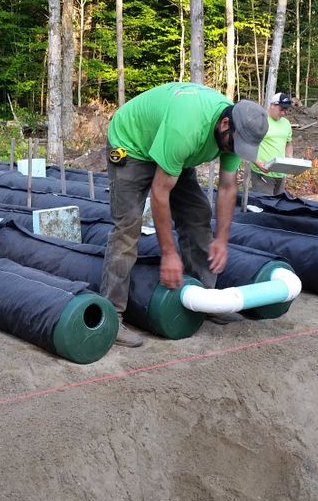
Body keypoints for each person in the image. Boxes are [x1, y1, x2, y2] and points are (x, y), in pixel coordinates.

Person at [99, 81, 270, 347]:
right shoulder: (187, 128)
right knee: (127, 226)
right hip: (131, 143)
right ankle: (112, 316)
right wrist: (168, 253)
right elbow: (159, 193)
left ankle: (205, 299)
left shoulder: (235, 133)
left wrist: (222, 239)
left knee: (197, 214)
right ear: (225, 125)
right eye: (235, 145)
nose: (236, 152)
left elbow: (226, 188)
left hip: (171, 149)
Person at [248, 92, 295, 197]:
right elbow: (248, 144)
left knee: (277, 205)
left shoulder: (286, 123)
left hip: (280, 173)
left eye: (285, 110)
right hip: (262, 172)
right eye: (281, 109)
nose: (283, 113)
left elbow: (288, 143)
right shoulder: (259, 121)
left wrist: (290, 160)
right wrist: (258, 163)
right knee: (265, 205)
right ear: (272, 105)